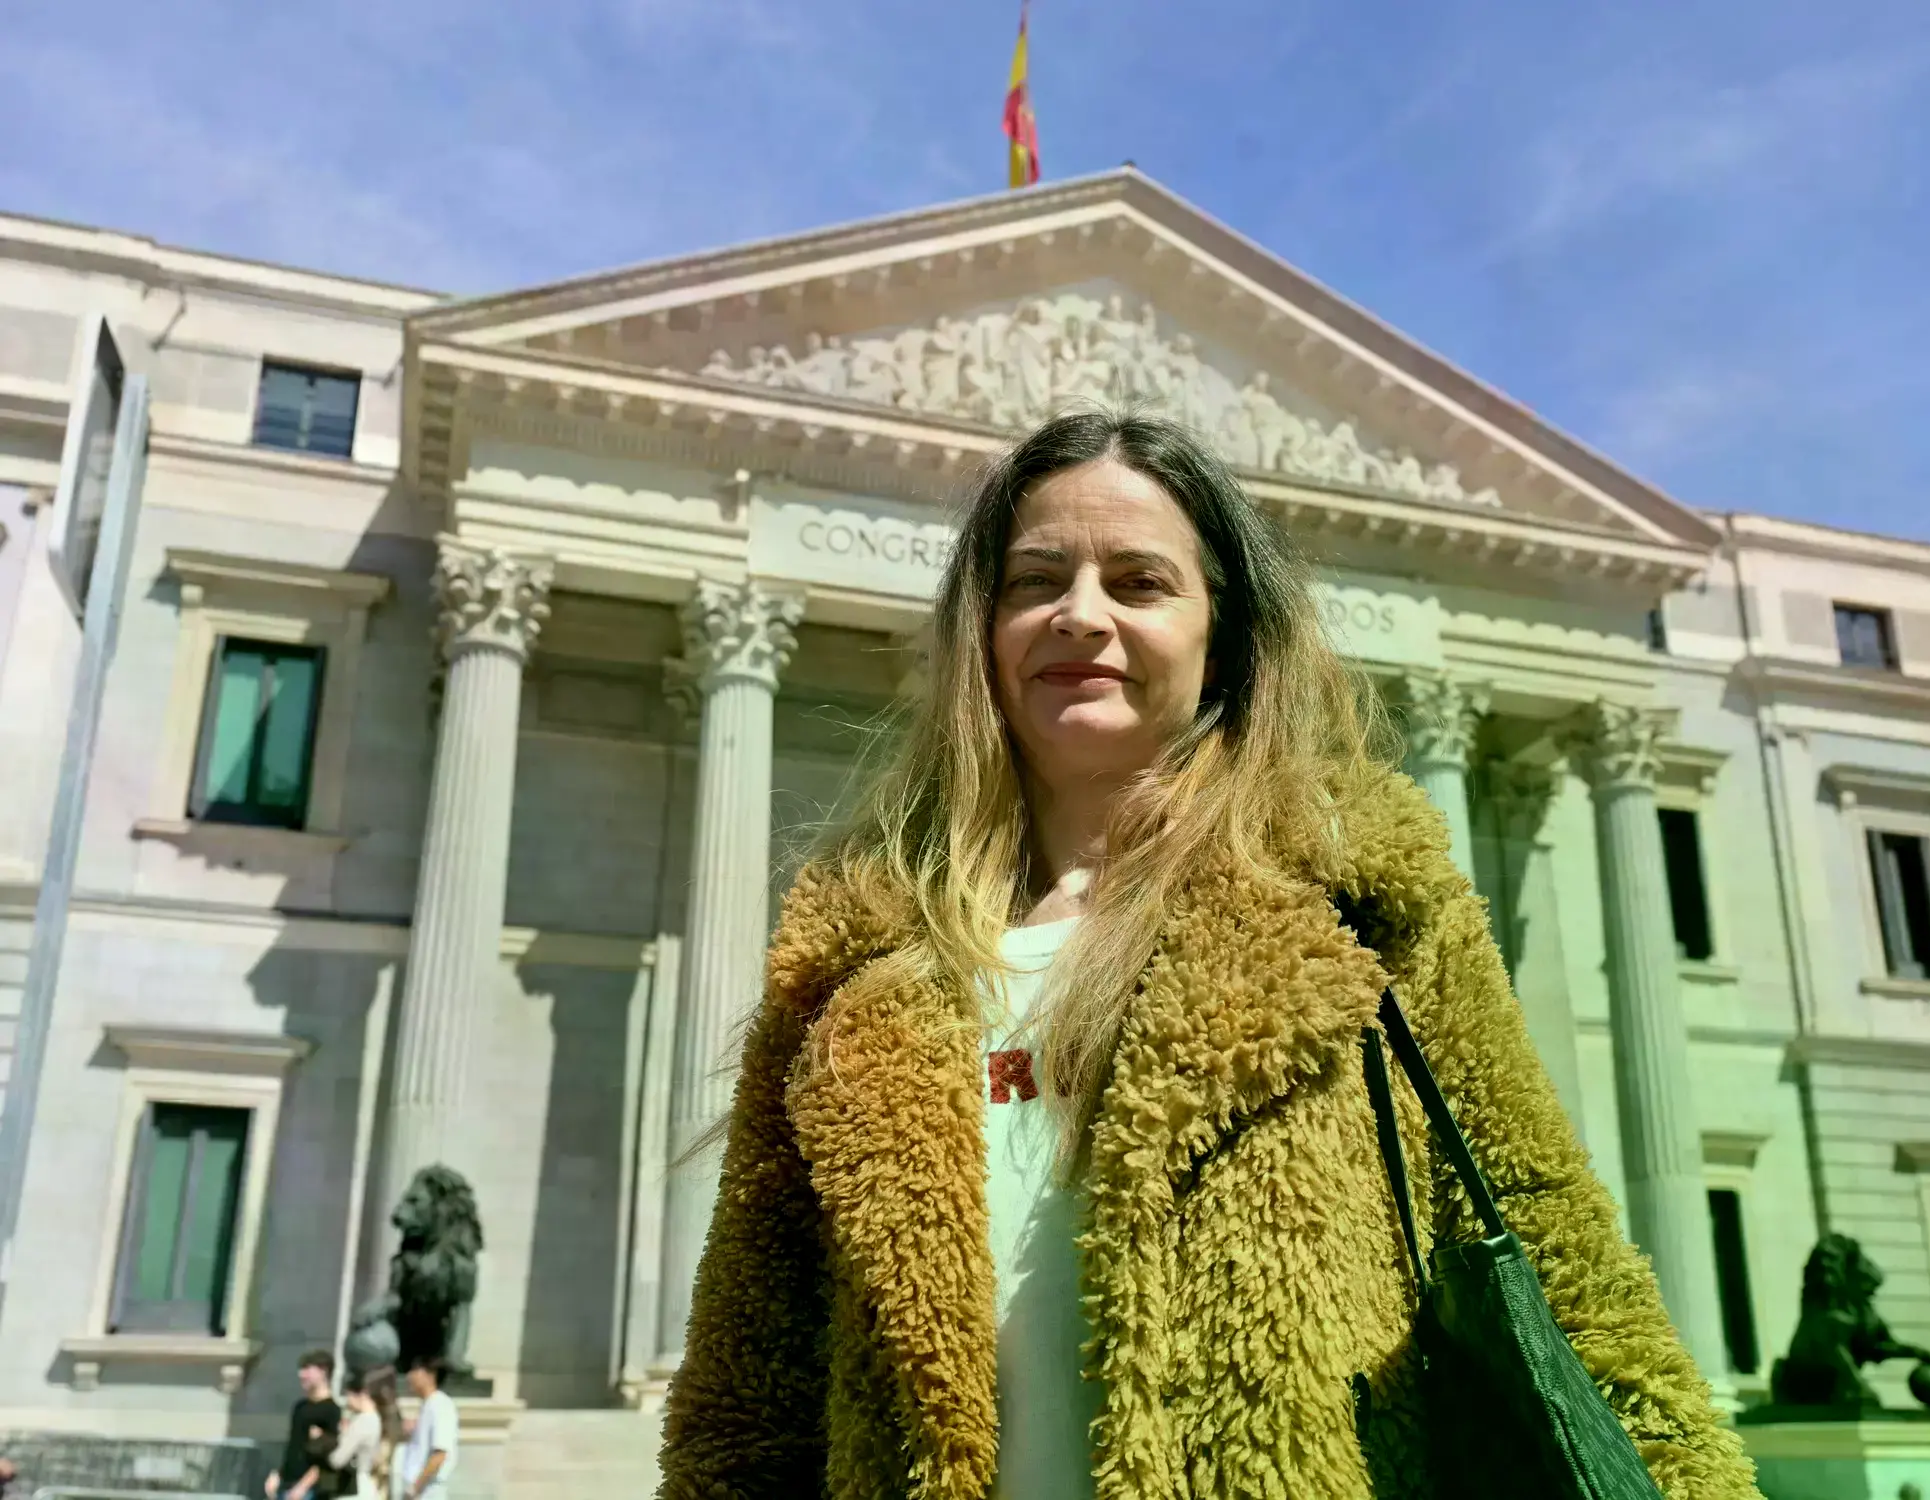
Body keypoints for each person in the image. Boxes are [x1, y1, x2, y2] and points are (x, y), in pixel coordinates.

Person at [657, 411, 1759, 1498]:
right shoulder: (850, 966)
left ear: (1220, 634)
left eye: (1137, 582)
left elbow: (1573, 1289)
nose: (1079, 615)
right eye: (1035, 580)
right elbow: (746, 1399)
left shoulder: (1364, 905)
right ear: (978, 630)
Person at [267, 1350, 341, 1500]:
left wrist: (303, 1486)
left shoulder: (332, 1411)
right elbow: (293, 1445)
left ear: (323, 1371)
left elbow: (327, 1457)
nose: (301, 1375)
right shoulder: (300, 1407)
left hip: (309, 1489)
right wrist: (277, 1474)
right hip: (286, 1483)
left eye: (307, 1369)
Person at [326, 1369, 402, 1500]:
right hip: (368, 1485)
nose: (347, 1401)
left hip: (353, 1489)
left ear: (361, 1394)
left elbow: (337, 1460)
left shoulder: (362, 1421)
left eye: (348, 1395)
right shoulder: (377, 1419)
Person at [401, 1356, 458, 1500]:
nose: (409, 1376)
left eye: (414, 1370)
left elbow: (440, 1454)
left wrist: (415, 1487)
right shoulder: (429, 1405)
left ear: (430, 1375)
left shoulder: (440, 1405)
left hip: (427, 1491)